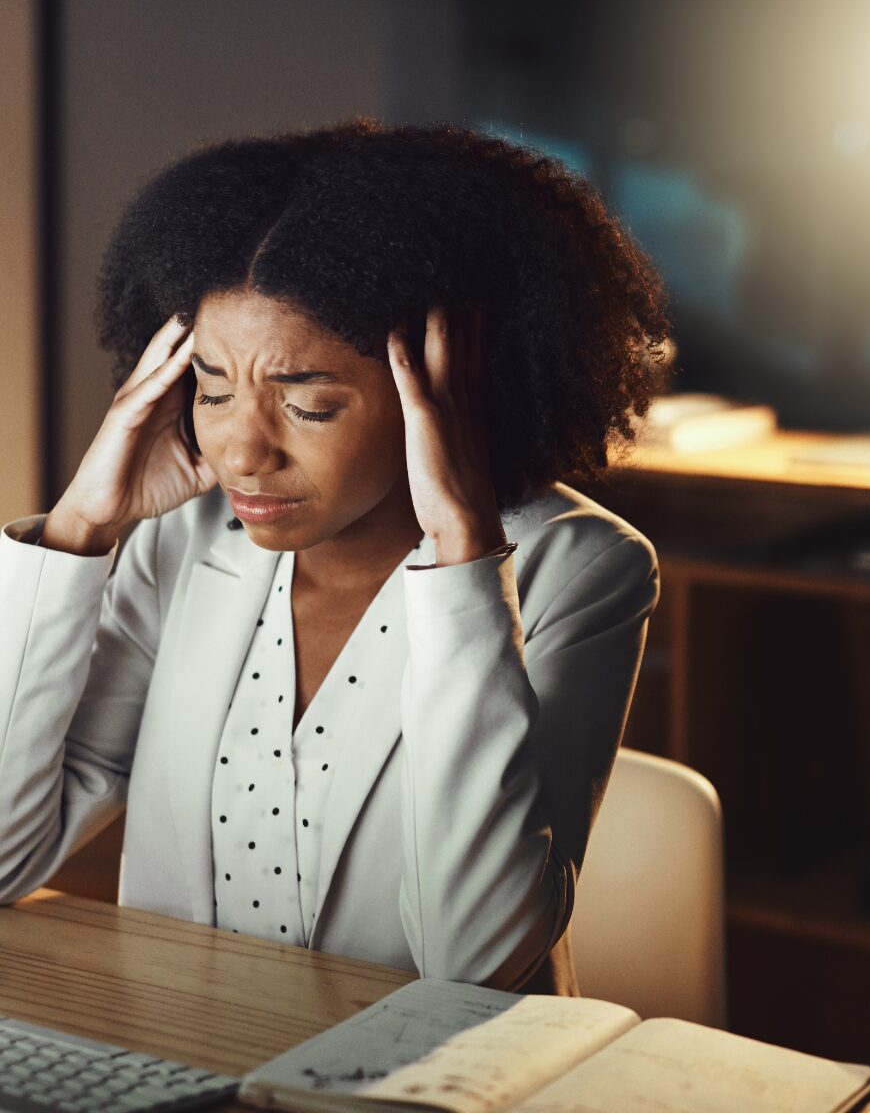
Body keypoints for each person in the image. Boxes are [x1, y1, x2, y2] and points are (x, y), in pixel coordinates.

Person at [0, 119, 670, 996]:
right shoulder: (180, 544)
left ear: (448, 389)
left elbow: (478, 962)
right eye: (211, 388)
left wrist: (465, 557)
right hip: (189, 1060)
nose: (244, 451)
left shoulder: (580, 570)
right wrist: (78, 529)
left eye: (310, 405)